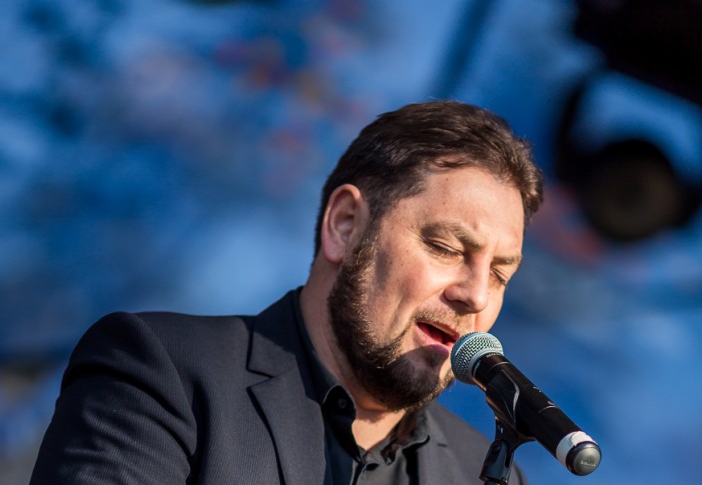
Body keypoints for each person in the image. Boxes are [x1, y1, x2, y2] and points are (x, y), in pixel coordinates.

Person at [30, 100, 543, 484]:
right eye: (446, 247)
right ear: (345, 225)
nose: (477, 295)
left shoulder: (483, 472)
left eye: (500, 274)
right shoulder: (163, 371)